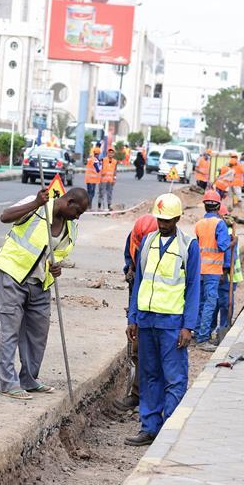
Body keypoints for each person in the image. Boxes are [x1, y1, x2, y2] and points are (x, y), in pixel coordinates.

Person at [0, 187, 90, 400]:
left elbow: (57, 254)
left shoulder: (71, 227)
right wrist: (35, 203)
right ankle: (8, 383)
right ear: (70, 201)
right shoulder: (37, 205)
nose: (78, 216)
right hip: (12, 273)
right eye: (78, 211)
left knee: (38, 333)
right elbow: (5, 216)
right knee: (11, 329)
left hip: (40, 282)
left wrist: (56, 268)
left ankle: (28, 379)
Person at [124, 193, 200, 446]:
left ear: (177, 218)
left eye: (167, 220)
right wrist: (133, 317)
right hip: (146, 321)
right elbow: (140, 283)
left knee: (174, 378)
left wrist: (188, 326)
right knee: (149, 376)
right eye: (160, 219)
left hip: (172, 323)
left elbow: (193, 287)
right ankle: (149, 427)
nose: (163, 224)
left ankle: (169, 429)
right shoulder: (147, 242)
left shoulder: (188, 246)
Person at [114, 213, 159, 411]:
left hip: (158, 301)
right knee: (136, 347)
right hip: (137, 295)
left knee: (153, 350)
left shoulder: (165, 245)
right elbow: (128, 256)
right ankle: (137, 394)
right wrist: (129, 270)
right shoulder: (133, 237)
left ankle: (151, 397)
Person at [193, 190, 231, 351]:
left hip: (199, 269)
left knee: (200, 302)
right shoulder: (219, 224)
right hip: (213, 270)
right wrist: (232, 240)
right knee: (210, 303)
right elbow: (222, 245)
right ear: (218, 205)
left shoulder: (199, 224)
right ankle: (203, 338)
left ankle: (197, 332)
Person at [211, 204, 243, 342]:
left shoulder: (228, 232)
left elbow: (230, 255)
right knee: (216, 302)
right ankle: (214, 328)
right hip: (222, 275)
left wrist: (224, 271)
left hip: (227, 277)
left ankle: (223, 328)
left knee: (224, 303)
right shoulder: (223, 230)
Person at [97, 147, 118, 211]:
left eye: (112, 153)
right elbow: (99, 169)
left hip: (110, 180)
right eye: (109, 152)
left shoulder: (115, 162)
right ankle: (99, 206)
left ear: (113, 154)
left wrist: (114, 179)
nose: (110, 154)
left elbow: (115, 171)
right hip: (103, 180)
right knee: (101, 193)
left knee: (109, 194)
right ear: (107, 153)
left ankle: (109, 206)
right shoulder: (103, 160)